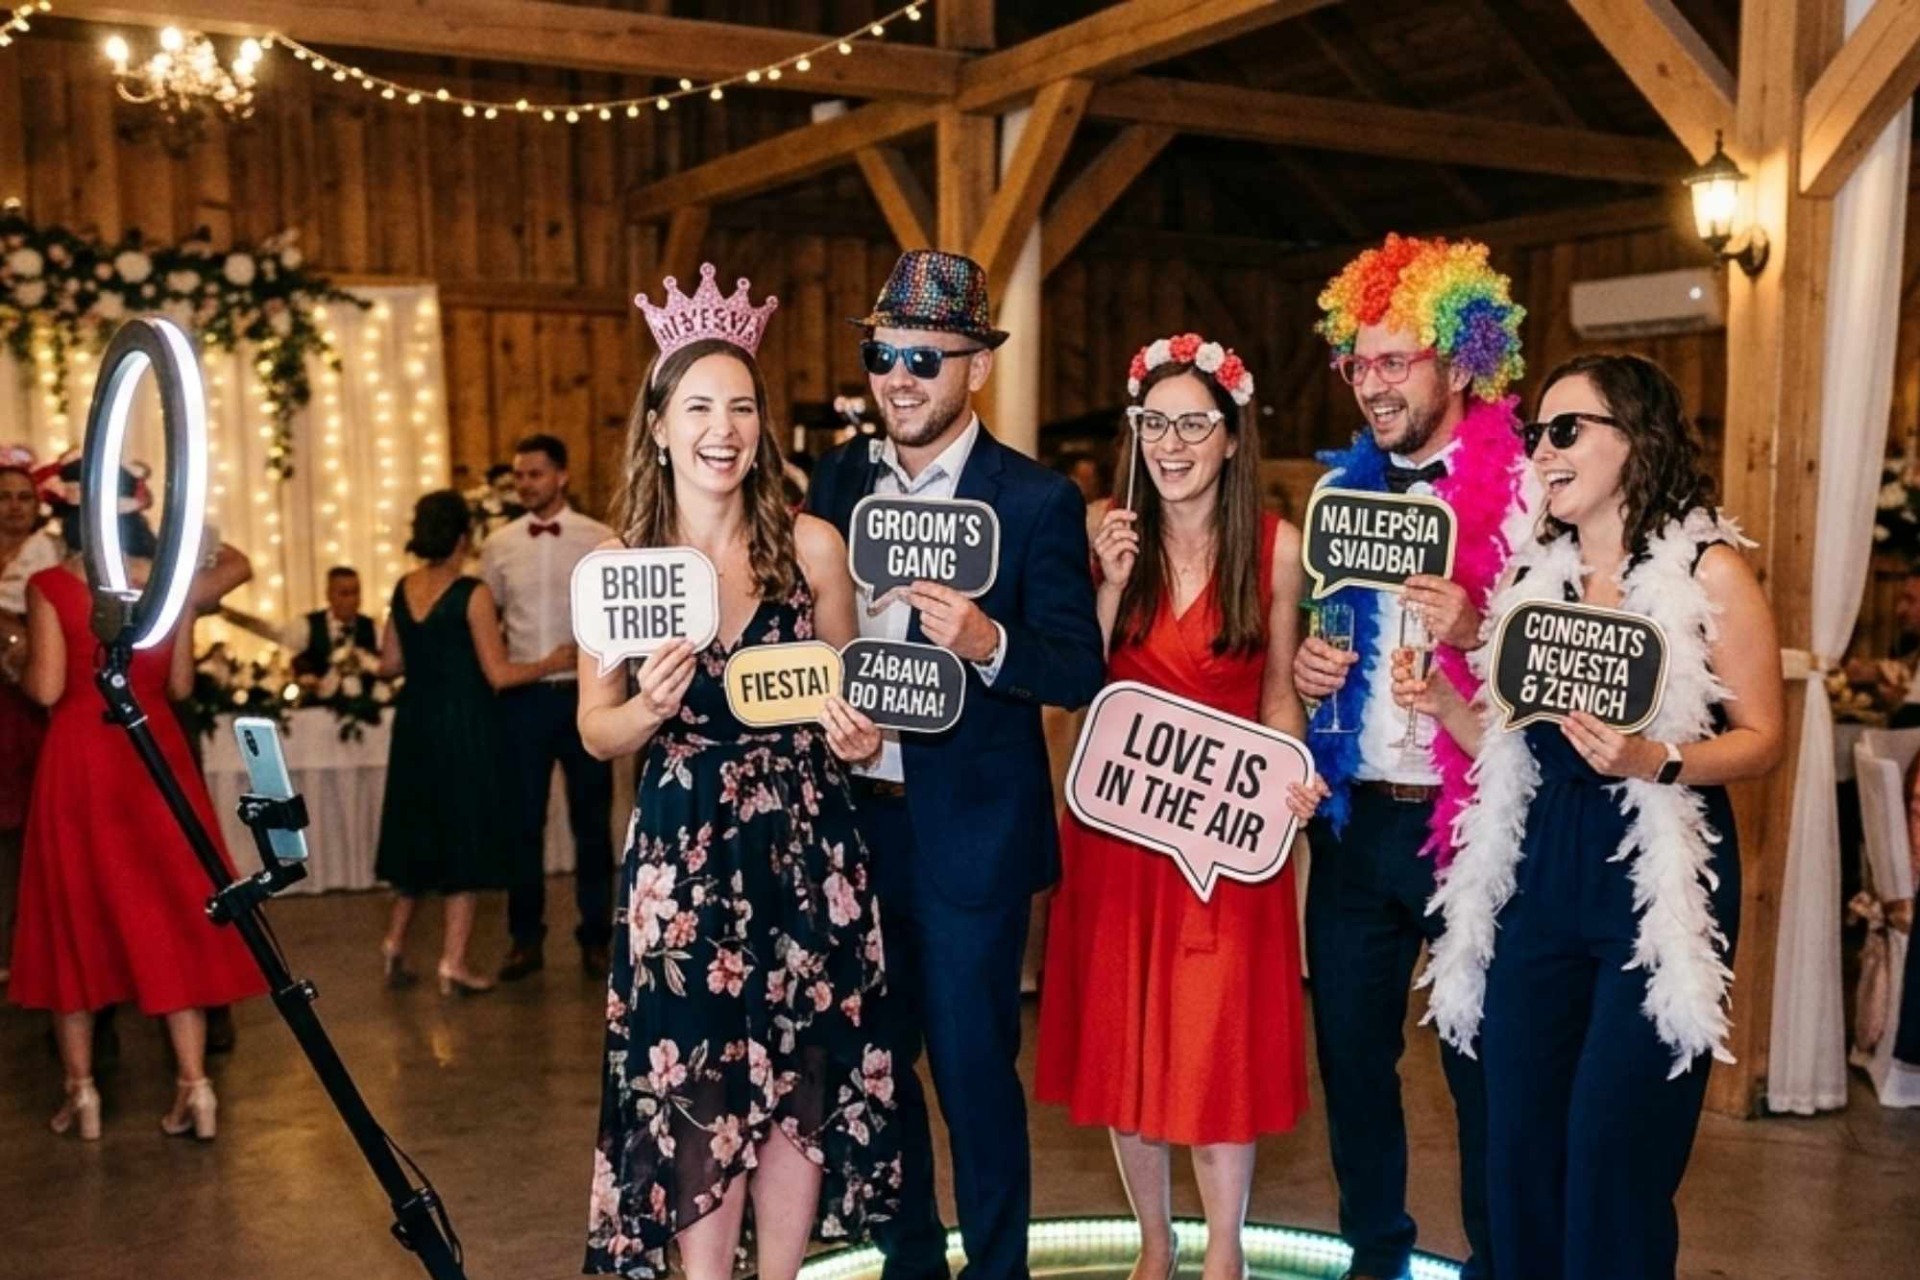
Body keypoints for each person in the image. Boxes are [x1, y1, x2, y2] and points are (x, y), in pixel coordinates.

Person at [1410, 353, 1785, 1280]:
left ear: (1637, 439)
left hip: (1653, 877)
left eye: (1567, 430)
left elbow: (1764, 738)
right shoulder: (1535, 579)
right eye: (1537, 432)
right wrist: (1442, 704)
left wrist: (1656, 758)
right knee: (1520, 1144)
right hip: (1540, 870)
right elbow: (1513, 747)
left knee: (1613, 1154)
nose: (1542, 450)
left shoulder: (1710, 573)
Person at [580, 265, 898, 1280]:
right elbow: (595, 730)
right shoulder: (622, 566)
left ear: (762, 426)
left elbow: (850, 699)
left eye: (742, 407)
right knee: (697, 1082)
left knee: (802, 1079)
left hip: (806, 844)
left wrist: (858, 738)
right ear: (660, 427)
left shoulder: (813, 548)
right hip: (683, 851)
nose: (724, 429)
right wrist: (648, 706)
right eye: (700, 407)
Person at [808, 249, 1106, 1280]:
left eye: (925, 359)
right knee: (873, 1064)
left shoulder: (1034, 500)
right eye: (884, 355)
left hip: (972, 832)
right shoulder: (838, 480)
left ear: (976, 367)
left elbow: (1075, 664)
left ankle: (997, 1266)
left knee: (975, 1071)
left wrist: (989, 642)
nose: (900, 377)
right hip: (855, 822)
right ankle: (909, 1258)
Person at [1035, 335, 1326, 1280]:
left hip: (1226, 834)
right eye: (1155, 424)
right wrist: (1110, 586)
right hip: (1120, 834)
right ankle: (1155, 1247)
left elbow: (1279, 693)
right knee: (1126, 1042)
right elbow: (1069, 684)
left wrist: (1293, 772)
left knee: (1214, 1045)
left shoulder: (1276, 550)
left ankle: (1225, 1253)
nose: (1172, 444)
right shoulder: (1102, 535)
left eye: (1194, 424)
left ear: (1232, 436)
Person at [1292, 234, 1532, 1280]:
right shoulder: (1338, 497)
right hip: (1356, 824)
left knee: (1485, 1064)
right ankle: (1375, 1254)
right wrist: (1311, 672)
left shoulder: (1528, 493)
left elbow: (1563, 663)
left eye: (1396, 360)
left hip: (1473, 821)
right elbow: (1325, 641)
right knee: (1352, 1059)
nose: (1373, 383)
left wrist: (1481, 629)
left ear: (1463, 360)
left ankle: (1498, 1259)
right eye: (1359, 362)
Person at [11, 460, 267, 1142]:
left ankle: (82, 1092)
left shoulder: (49, 587)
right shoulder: (167, 584)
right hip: (155, 755)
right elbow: (180, 685)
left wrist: (18, 661)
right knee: (173, 914)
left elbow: (46, 688)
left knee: (72, 917)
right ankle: (195, 1085)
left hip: (81, 759)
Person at [374, 491, 572, 995]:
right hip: (462, 726)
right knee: (462, 838)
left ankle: (394, 943)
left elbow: (388, 665)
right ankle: (454, 962)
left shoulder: (403, 587)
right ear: (464, 536)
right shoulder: (472, 593)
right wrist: (551, 663)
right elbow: (499, 674)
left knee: (418, 834)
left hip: (414, 724)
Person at [481, 433, 618, 980]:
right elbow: (488, 614)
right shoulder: (498, 545)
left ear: (561, 476)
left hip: (585, 694)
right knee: (522, 823)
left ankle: (597, 937)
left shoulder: (599, 538)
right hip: (523, 699)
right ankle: (524, 938)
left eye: (535, 474)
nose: (525, 484)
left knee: (592, 822)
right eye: (519, 475)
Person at [0, 453, 54, 988]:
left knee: (26, 827)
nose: (15, 508)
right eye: (4, 497)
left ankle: (26, 948)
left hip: (29, 704)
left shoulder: (49, 555)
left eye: (24, 498)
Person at [287, 565, 378, 680]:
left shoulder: (372, 627)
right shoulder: (308, 625)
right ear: (329, 595)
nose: (352, 600)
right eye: (344, 593)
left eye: (356, 592)